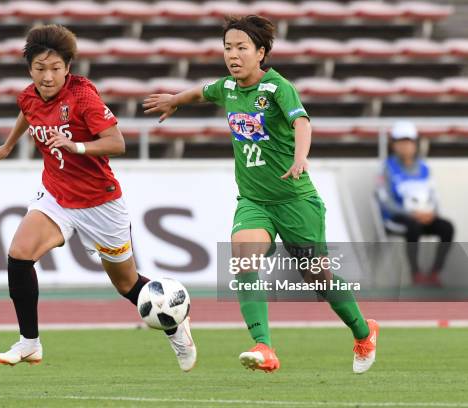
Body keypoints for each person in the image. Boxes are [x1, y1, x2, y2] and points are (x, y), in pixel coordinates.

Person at [144, 15, 378, 374]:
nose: (232, 55)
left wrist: (301, 158)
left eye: (241, 48)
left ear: (261, 52)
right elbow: (202, 91)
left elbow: (302, 122)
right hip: (254, 201)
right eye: (227, 48)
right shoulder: (228, 88)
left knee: (318, 277)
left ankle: (364, 332)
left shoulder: (278, 88)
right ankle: (264, 346)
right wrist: (176, 100)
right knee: (243, 256)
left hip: (297, 201)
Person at [0, 24, 196, 371]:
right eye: (40, 69)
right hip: (56, 195)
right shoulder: (29, 95)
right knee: (19, 255)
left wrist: (76, 146)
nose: (47, 76)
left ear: (68, 68)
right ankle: (29, 343)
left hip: (100, 202)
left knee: (127, 285)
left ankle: (174, 322)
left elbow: (117, 143)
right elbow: (28, 111)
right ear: (30, 69)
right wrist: (8, 146)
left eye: (55, 68)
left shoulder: (83, 96)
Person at [377, 120, 455, 286]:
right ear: (393, 144)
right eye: (401, 142)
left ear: (415, 143)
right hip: (398, 218)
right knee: (413, 226)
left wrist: (431, 214)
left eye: (409, 141)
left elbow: (434, 196)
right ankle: (416, 274)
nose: (406, 146)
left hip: (424, 216)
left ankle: (434, 273)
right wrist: (411, 214)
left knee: (447, 227)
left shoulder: (424, 168)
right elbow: (385, 201)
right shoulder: (386, 168)